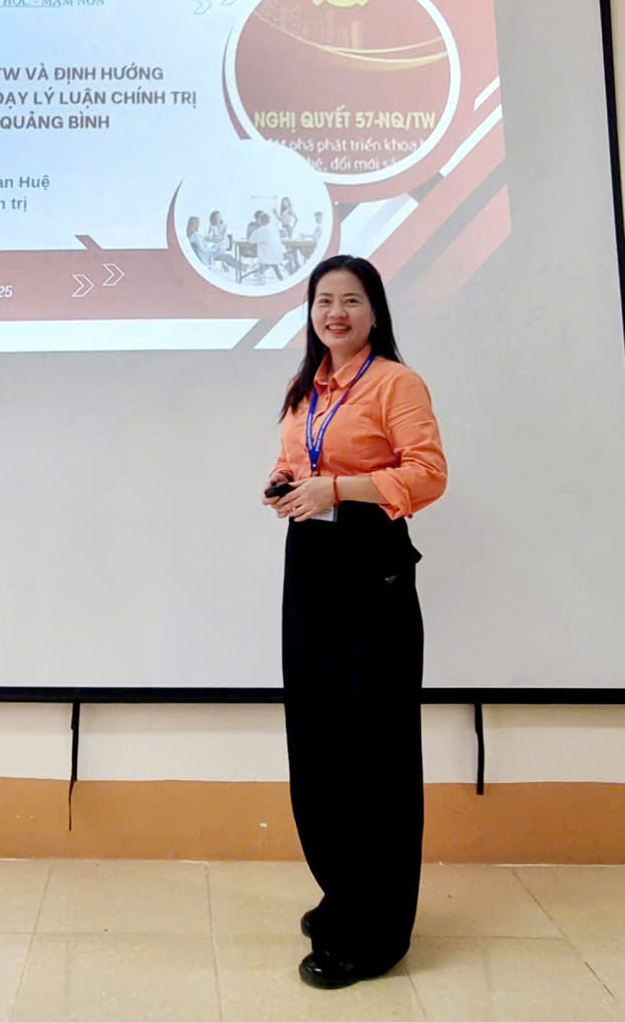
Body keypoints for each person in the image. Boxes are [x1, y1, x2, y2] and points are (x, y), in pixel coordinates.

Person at [261, 255, 446, 990]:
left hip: (372, 569)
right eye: (323, 301)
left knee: (375, 747)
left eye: (351, 300)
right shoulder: (307, 387)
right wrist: (286, 484)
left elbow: (428, 474)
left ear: (374, 311)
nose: (335, 313)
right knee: (320, 737)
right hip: (310, 563)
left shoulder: (396, 383)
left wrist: (335, 488)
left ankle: (378, 932)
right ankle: (343, 892)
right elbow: (295, 459)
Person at [249, 211, 287, 280]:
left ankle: (259, 274)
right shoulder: (275, 229)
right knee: (272, 262)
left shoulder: (258, 231)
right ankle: (279, 277)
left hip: (265, 257)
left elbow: (251, 241)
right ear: (269, 221)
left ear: (260, 221)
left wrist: (259, 240)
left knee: (267, 260)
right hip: (277, 255)